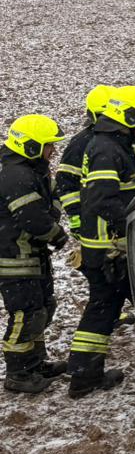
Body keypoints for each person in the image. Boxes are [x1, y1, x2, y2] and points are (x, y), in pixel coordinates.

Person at [69, 86, 135, 398]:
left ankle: (84, 374)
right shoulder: (108, 149)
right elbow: (102, 199)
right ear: (129, 115)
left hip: (105, 250)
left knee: (103, 309)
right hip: (112, 250)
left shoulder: (111, 143)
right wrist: (133, 224)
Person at [2, 114, 68, 394]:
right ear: (30, 146)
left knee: (42, 309)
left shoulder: (34, 171)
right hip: (13, 258)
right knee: (25, 313)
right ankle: (18, 372)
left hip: (32, 254)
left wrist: (50, 219)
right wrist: (56, 234)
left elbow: (52, 203)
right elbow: (33, 218)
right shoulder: (16, 176)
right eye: (48, 145)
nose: (52, 151)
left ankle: (35, 363)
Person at [55, 84, 115, 238]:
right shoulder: (81, 142)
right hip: (95, 223)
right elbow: (66, 181)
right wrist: (76, 219)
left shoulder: (130, 141)